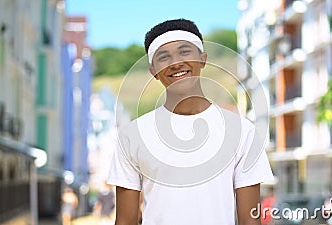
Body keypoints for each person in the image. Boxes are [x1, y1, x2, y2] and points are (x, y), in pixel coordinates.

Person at [108, 18, 274, 225]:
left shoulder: (242, 131)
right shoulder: (132, 136)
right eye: (163, 57)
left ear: (203, 59)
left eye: (185, 51)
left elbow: (250, 221)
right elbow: (125, 221)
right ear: (154, 72)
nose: (176, 62)